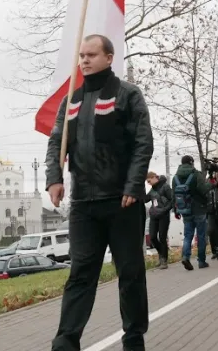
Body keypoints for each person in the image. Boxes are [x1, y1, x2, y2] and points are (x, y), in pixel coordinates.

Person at [45, 34, 154, 351]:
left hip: (123, 202)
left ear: (109, 57)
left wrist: (134, 185)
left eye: (91, 54)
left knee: (130, 274)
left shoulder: (128, 95)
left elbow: (142, 144)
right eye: (81, 55)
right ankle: (66, 339)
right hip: (83, 206)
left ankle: (133, 338)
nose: (84, 60)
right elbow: (56, 143)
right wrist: (54, 178)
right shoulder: (71, 100)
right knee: (80, 274)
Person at [173, 155, 210, 270]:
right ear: (191, 162)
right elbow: (203, 190)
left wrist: (176, 210)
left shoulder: (175, 177)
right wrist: (211, 184)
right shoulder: (196, 174)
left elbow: (174, 196)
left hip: (185, 210)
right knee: (201, 235)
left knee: (188, 235)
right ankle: (201, 261)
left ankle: (185, 257)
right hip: (199, 208)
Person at [146, 171, 173, 270]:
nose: (149, 183)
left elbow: (172, 200)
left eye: (149, 181)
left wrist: (164, 210)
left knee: (162, 237)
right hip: (154, 215)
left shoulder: (165, 187)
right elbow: (145, 199)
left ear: (154, 177)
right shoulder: (152, 189)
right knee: (152, 237)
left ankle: (164, 260)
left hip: (163, 215)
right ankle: (161, 254)